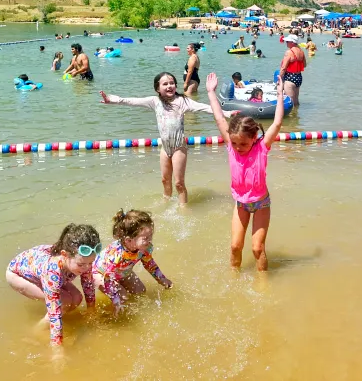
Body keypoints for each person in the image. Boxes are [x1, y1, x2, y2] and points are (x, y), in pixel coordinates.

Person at [99, 72, 233, 204]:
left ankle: (183, 209)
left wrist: (226, 113)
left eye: (172, 83)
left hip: (178, 148)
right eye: (165, 84)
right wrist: (113, 100)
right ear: (158, 88)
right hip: (165, 147)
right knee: (164, 180)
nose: (169, 86)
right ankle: (166, 202)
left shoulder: (182, 101)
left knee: (179, 183)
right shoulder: (154, 101)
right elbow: (132, 101)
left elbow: (204, 108)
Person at [206, 72, 285, 271]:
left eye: (243, 143)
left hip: (261, 203)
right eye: (234, 142)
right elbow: (218, 118)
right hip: (240, 203)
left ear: (254, 138)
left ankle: (263, 285)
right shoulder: (231, 147)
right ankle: (235, 282)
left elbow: (277, 123)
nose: (238, 147)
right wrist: (210, 93)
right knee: (235, 246)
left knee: (257, 249)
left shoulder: (261, 147)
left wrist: (280, 93)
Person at [5, 223, 100, 351]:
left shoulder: (84, 260)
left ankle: (62, 322)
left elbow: (87, 283)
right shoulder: (52, 271)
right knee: (64, 301)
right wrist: (57, 350)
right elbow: (54, 311)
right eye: (82, 264)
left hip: (44, 271)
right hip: (17, 275)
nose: (87, 268)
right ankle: (35, 331)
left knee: (77, 298)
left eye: (91, 263)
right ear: (65, 255)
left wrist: (91, 310)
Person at [93, 209, 172, 316]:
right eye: (146, 238)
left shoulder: (144, 248)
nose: (150, 241)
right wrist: (116, 300)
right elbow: (108, 277)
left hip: (121, 273)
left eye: (151, 236)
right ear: (129, 240)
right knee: (122, 297)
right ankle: (108, 317)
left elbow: (149, 264)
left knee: (140, 291)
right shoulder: (116, 255)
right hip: (101, 274)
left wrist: (162, 279)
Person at [278, 34, 306, 107]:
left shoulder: (289, 52)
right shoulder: (301, 52)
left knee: (290, 103)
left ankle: (292, 117)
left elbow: (284, 67)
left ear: (292, 42)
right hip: (298, 77)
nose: (286, 43)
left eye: (287, 41)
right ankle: (296, 117)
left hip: (290, 77)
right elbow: (304, 65)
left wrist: (279, 79)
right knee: (296, 101)